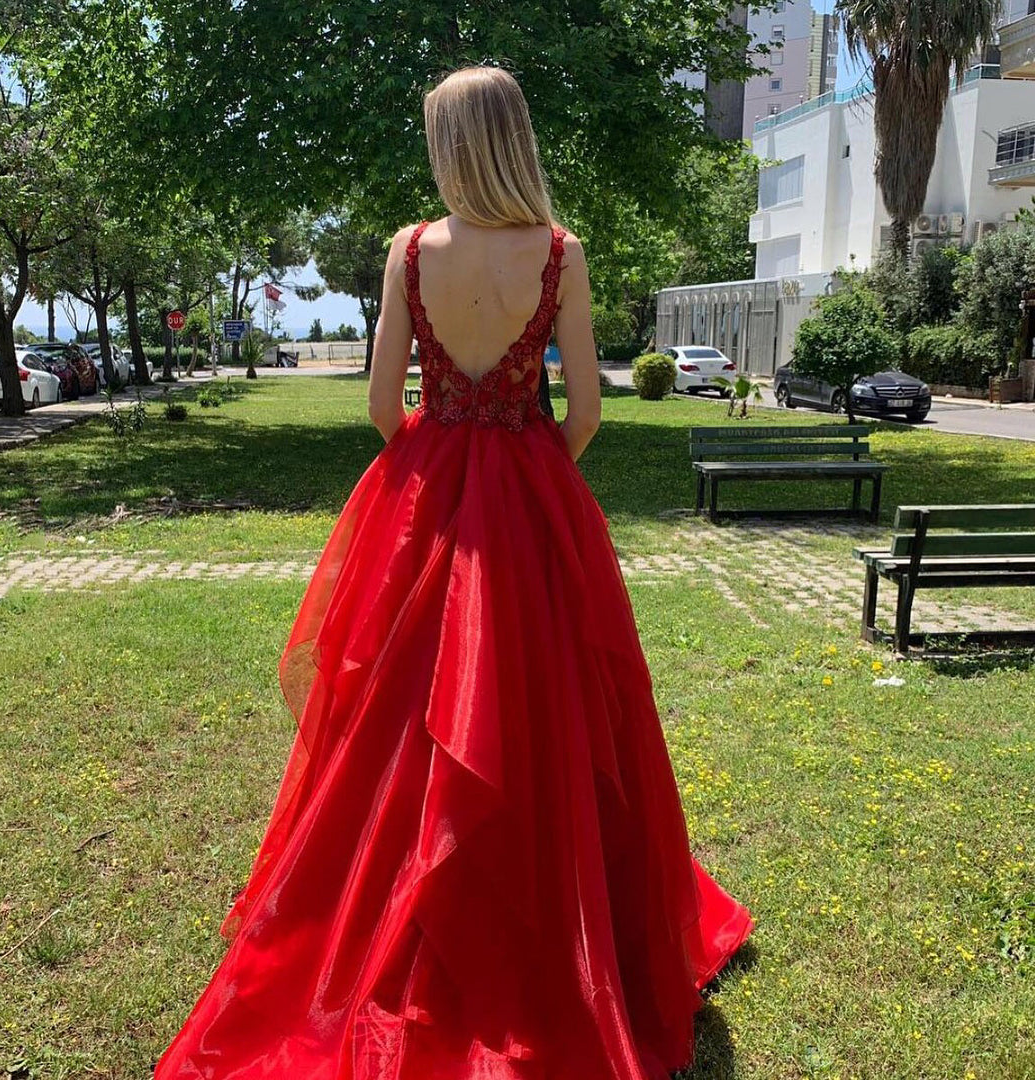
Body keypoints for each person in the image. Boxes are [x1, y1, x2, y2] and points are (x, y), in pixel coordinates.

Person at [153, 65, 752, 1080]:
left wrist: (442, 457)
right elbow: (590, 413)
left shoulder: (407, 250)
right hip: (528, 493)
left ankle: (391, 905)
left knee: (396, 717)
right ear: (516, 139)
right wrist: (528, 481)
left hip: (426, 493)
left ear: (452, 147)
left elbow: (383, 404)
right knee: (546, 708)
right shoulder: (560, 253)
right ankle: (550, 919)